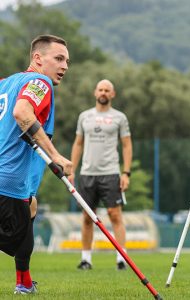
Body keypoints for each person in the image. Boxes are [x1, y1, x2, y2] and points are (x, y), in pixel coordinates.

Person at [0, 34, 72, 294]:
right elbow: (22, 112)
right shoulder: (39, 81)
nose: (64, 66)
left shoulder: (5, 84)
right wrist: (55, 155)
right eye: (59, 58)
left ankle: (25, 283)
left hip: (13, 184)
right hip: (8, 182)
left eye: (67, 61)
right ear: (38, 58)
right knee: (17, 236)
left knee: (32, 205)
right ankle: (23, 283)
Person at [69, 79, 132, 271]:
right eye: (100, 89)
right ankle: (86, 259)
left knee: (115, 215)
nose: (103, 92)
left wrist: (126, 172)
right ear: (95, 92)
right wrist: (71, 169)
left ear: (112, 94)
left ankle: (122, 259)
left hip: (111, 173)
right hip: (87, 174)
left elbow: (127, 145)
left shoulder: (119, 117)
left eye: (107, 90)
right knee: (88, 217)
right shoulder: (84, 117)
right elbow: (78, 143)